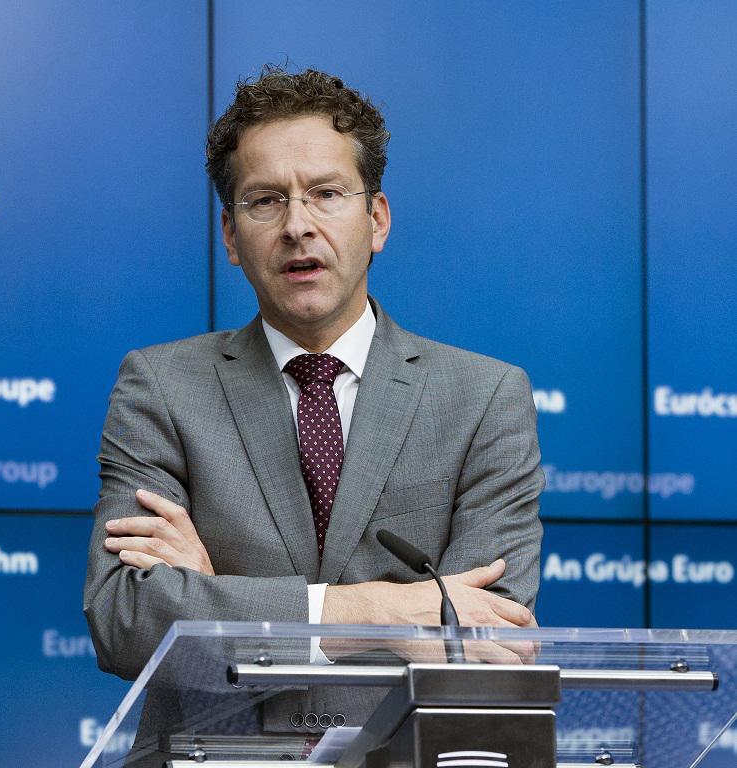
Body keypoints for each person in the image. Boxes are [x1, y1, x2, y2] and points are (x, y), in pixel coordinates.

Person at [83, 65, 543, 736]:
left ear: (376, 219)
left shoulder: (484, 399)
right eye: (265, 200)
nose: (297, 225)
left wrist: (215, 601)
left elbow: (483, 640)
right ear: (231, 236)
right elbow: (126, 619)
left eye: (326, 193)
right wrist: (379, 614)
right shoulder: (161, 386)